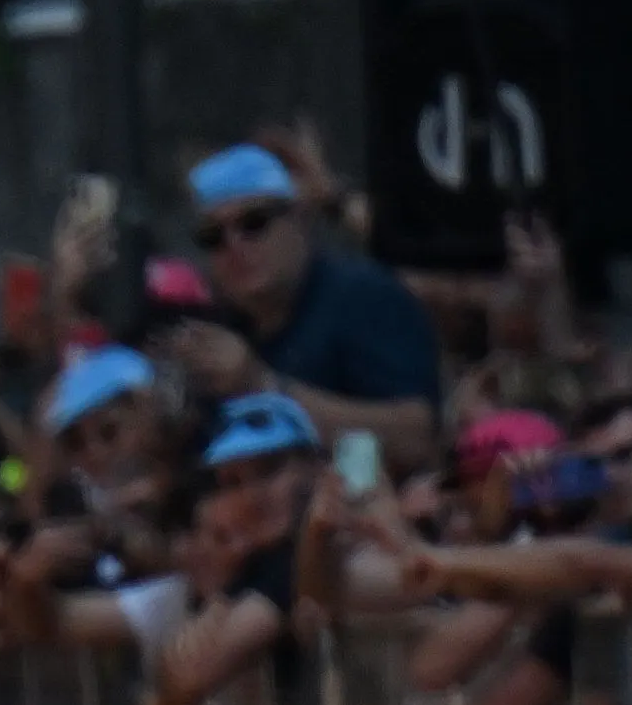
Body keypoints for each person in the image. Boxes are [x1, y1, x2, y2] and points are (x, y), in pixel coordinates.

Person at [160, 143, 445, 476]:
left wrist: (263, 386)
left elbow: (416, 438)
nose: (234, 246)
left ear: (298, 219)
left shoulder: (362, 297)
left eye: (254, 223)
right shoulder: (222, 328)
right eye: (213, 236)